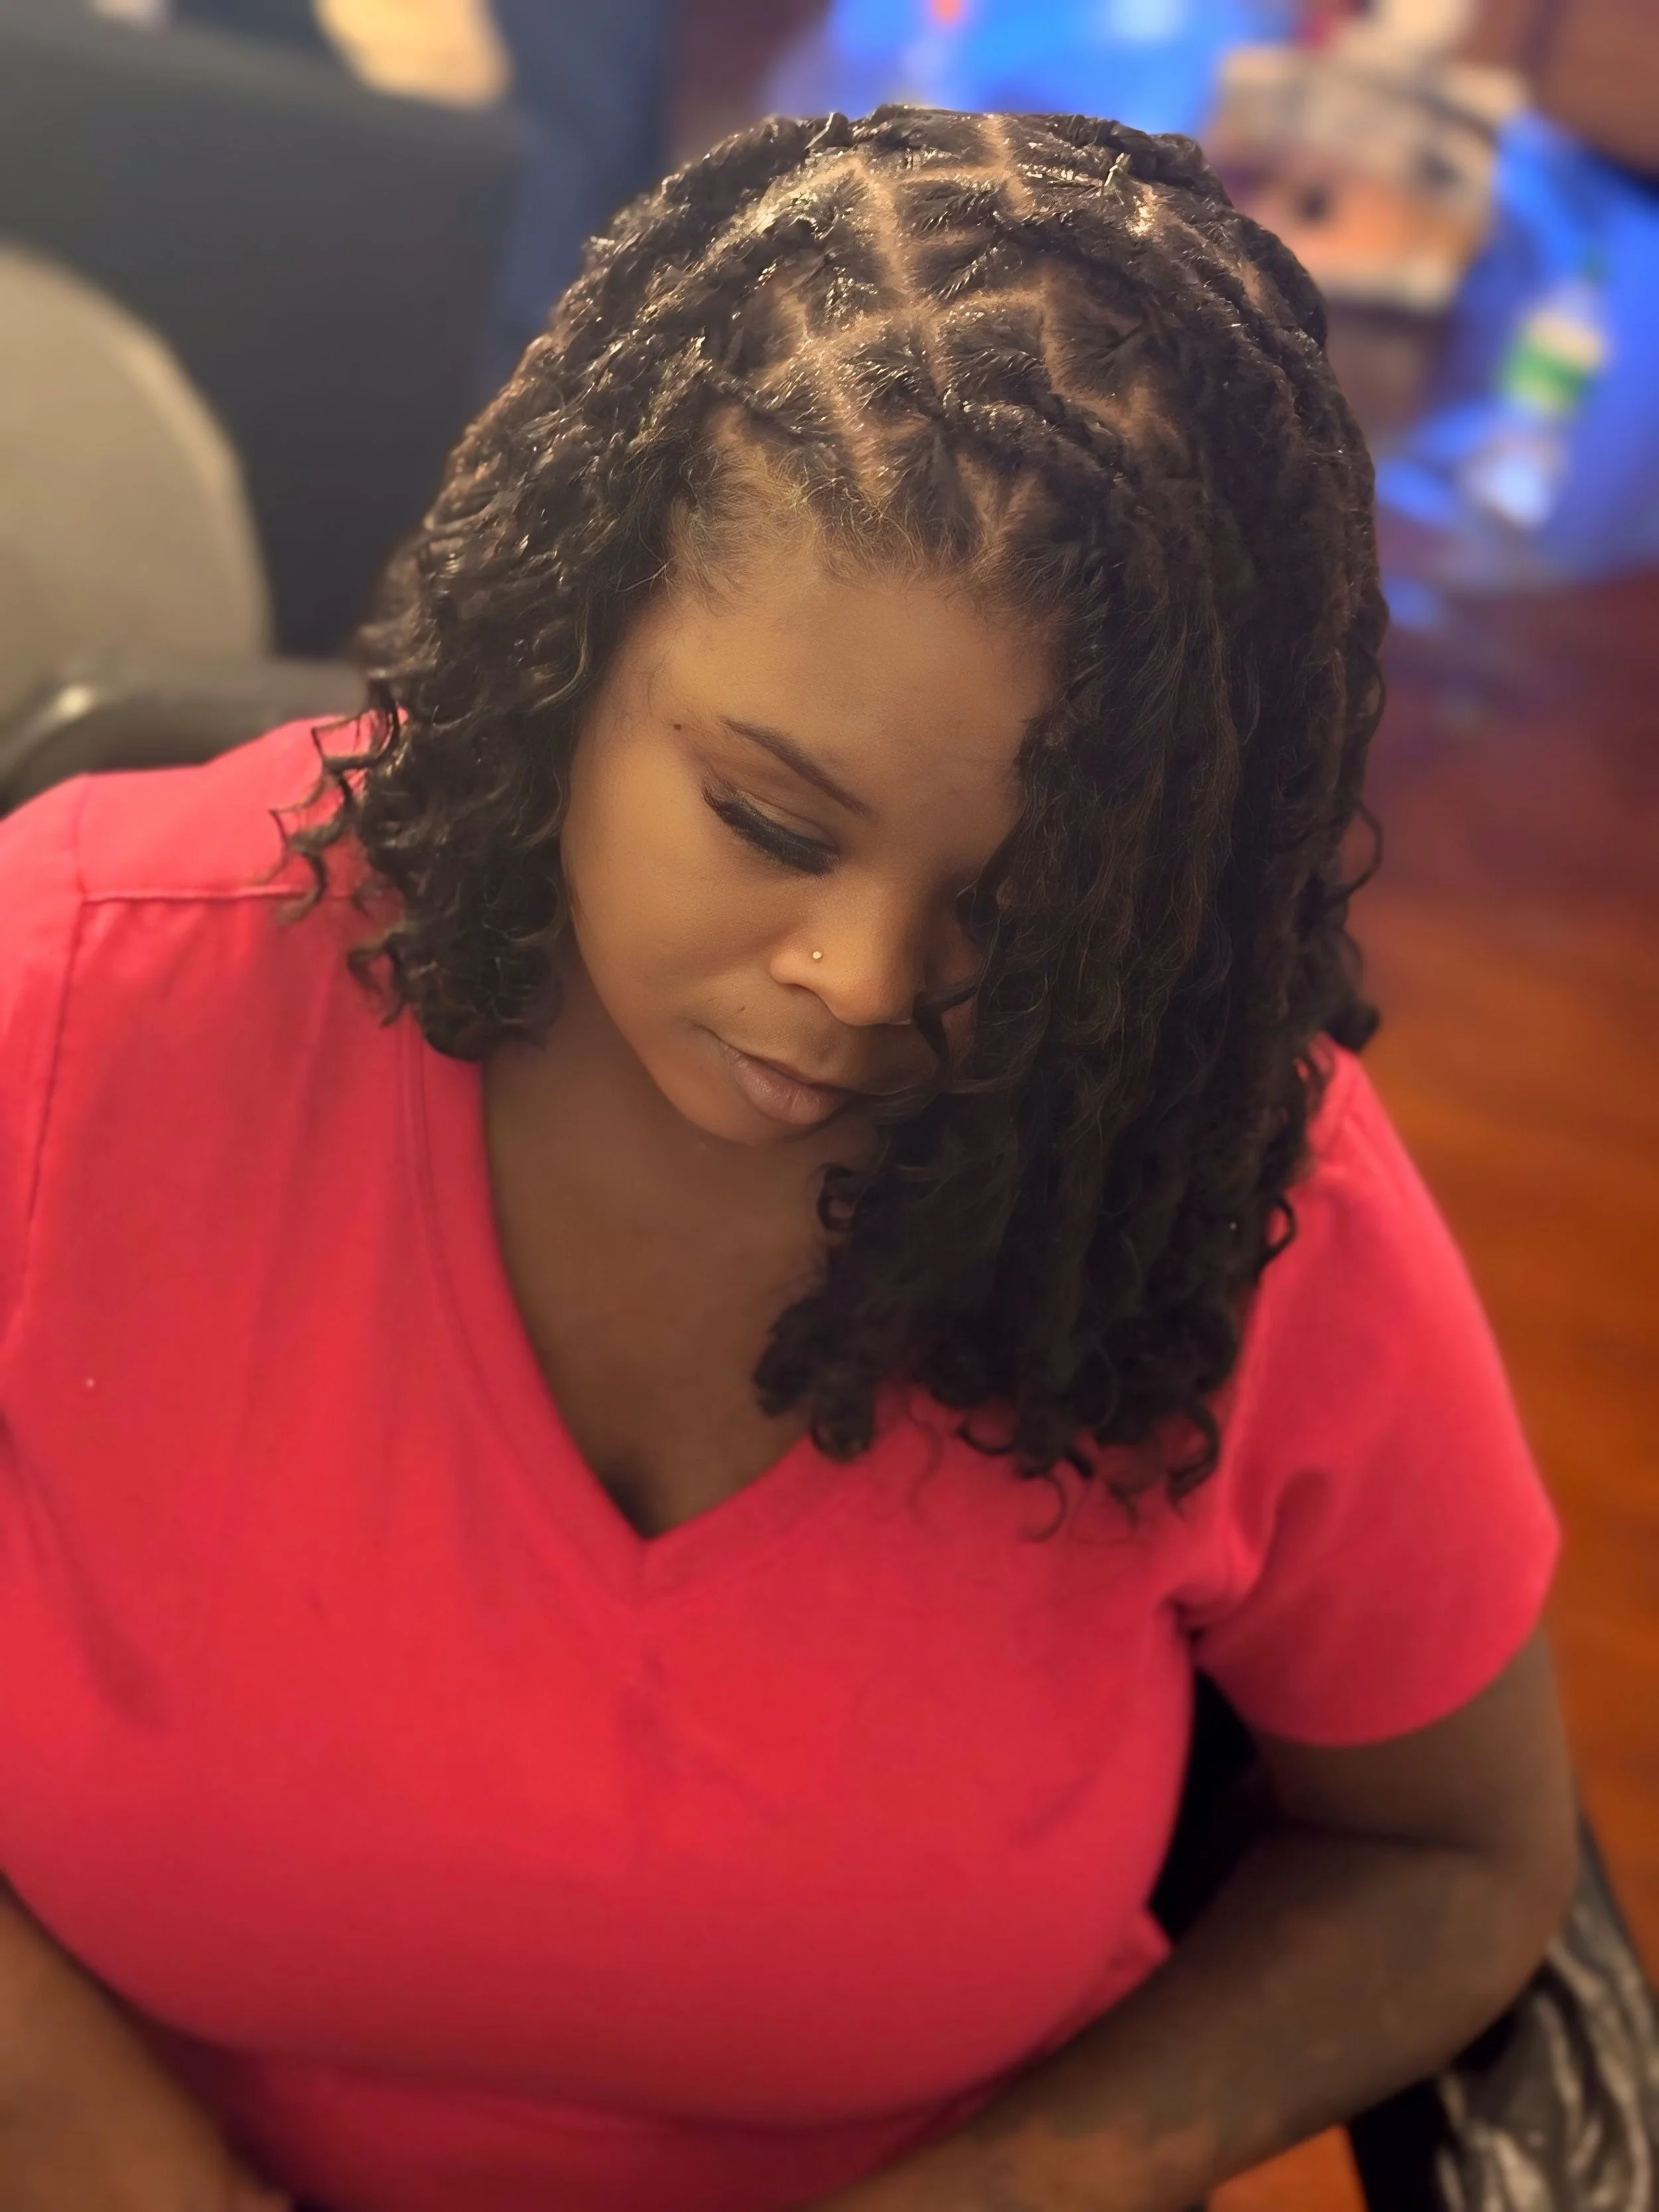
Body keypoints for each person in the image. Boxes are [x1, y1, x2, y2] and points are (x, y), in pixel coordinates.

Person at [0, 106, 1577, 2212]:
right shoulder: (85, 997)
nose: (856, 982)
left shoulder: (1210, 1174)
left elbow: (1457, 1850)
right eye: (766, 816)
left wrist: (1022, 2186)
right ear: (566, 647)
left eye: (1025, 913)